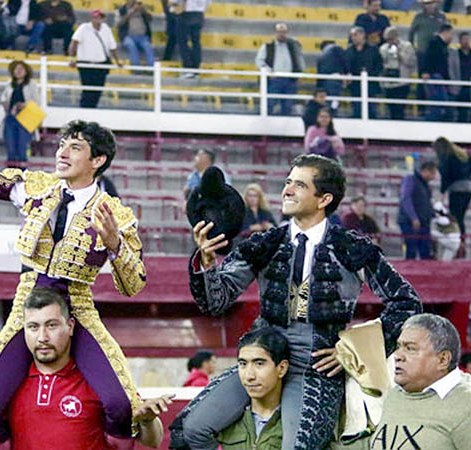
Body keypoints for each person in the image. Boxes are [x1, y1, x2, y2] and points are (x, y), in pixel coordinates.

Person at [0, 74, 147, 448]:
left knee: (120, 403)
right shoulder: (35, 187)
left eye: (74, 147)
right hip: (27, 305)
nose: (62, 152)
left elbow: (135, 283)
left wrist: (114, 245)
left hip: (77, 307)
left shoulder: (117, 214)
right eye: (62, 144)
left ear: (98, 160)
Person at [175, 154, 422, 450]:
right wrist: (207, 263)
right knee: (190, 430)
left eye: (299, 185)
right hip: (263, 355)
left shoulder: (353, 248)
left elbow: (407, 303)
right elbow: (215, 302)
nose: (287, 190)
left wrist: (352, 350)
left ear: (324, 199)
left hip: (317, 364)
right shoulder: (264, 243)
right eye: (287, 182)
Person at [0, 287, 170, 449]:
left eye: (51, 325)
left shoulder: (99, 378)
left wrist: (148, 420)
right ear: (23, 330)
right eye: (33, 327)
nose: (42, 337)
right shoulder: (7, 386)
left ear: (70, 326)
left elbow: (152, 440)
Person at [350, 314, 471, 450]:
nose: (398, 356)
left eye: (410, 348)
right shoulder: (395, 394)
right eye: (399, 347)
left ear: (443, 360)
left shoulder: (466, 403)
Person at [216, 326, 288, 449]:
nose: (249, 376)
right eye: (243, 364)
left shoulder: (298, 423)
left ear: (281, 368)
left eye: (259, 363)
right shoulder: (224, 420)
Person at [69, 10, 122, 108]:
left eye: (100, 17)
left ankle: (92, 109)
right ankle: (84, 110)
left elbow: (112, 47)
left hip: (101, 64)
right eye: (95, 17)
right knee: (87, 89)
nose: (98, 19)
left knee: (98, 90)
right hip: (86, 63)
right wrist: (71, 58)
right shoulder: (84, 28)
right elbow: (74, 43)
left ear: (103, 19)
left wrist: (117, 61)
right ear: (91, 18)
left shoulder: (106, 29)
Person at [255, 23, 305, 116]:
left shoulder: (294, 47)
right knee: (269, 103)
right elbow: (259, 61)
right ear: (275, 33)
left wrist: (300, 74)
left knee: (288, 105)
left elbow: (299, 61)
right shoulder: (267, 46)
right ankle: (264, 124)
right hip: (275, 79)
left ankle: (285, 126)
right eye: (279, 32)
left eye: (284, 32)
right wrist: (268, 71)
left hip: (290, 80)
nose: (282, 34)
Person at [408, 0, 447, 110]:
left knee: (438, 79)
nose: (429, 5)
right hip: (423, 53)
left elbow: (446, 31)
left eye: (431, 3)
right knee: (422, 80)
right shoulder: (419, 16)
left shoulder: (442, 16)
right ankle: (422, 107)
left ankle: (438, 106)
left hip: (437, 54)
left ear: (436, 3)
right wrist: (414, 48)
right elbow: (411, 33)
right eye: (426, 3)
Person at [433, 137, 471, 244]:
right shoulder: (463, 155)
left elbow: (446, 176)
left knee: (455, 217)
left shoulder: (447, 157)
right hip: (468, 188)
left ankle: (458, 242)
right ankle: (462, 240)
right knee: (461, 217)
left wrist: (442, 191)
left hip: (456, 189)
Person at [0, 60, 39, 163]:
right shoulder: (9, 84)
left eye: (21, 69)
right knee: (10, 147)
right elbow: (3, 97)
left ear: (26, 71)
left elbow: (36, 102)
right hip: (10, 118)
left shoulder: (32, 84)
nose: (18, 71)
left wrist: (23, 105)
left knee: (22, 148)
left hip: (25, 119)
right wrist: (4, 103)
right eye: (16, 69)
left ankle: (22, 174)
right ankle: (10, 175)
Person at [398, 160, 437, 260]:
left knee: (425, 251)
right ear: (425, 171)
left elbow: (426, 204)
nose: (434, 177)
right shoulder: (410, 179)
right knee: (411, 249)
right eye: (432, 173)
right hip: (410, 222)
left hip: (423, 222)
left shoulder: (425, 185)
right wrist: (413, 217)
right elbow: (406, 199)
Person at [379, 26, 417, 120]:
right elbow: (381, 63)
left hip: (402, 82)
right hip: (388, 82)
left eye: (391, 39)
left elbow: (411, 63)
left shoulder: (407, 46)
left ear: (396, 36)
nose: (390, 41)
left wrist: (399, 53)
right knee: (391, 108)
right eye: (388, 40)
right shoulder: (383, 48)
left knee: (400, 108)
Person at [345, 26, 383, 119]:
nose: (353, 38)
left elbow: (379, 65)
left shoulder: (373, 49)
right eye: (352, 36)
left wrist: (371, 74)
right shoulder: (349, 50)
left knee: (371, 109)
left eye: (355, 35)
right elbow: (345, 65)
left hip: (370, 84)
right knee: (356, 108)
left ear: (362, 35)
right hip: (355, 84)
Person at [422, 23, 454, 122]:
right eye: (451, 33)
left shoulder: (441, 44)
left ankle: (435, 120)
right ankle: (431, 121)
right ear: (446, 32)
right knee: (438, 101)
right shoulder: (434, 43)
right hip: (435, 76)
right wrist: (426, 71)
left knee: (440, 102)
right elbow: (428, 57)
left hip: (439, 76)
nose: (452, 36)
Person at [115, 0, 155, 69]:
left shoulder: (141, 8)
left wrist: (144, 12)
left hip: (143, 37)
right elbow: (118, 24)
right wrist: (129, 13)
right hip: (128, 36)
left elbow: (150, 19)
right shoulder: (121, 10)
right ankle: (136, 68)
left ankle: (150, 69)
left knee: (148, 46)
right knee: (131, 46)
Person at [177, 0, 211, 78]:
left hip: (187, 12)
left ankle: (188, 67)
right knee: (196, 42)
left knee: (182, 41)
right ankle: (196, 68)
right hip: (199, 13)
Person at [448, 32, 471, 122]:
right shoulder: (454, 54)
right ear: (459, 41)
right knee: (456, 111)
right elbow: (451, 69)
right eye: (464, 39)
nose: (466, 41)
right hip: (457, 85)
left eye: (467, 39)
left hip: (469, 86)